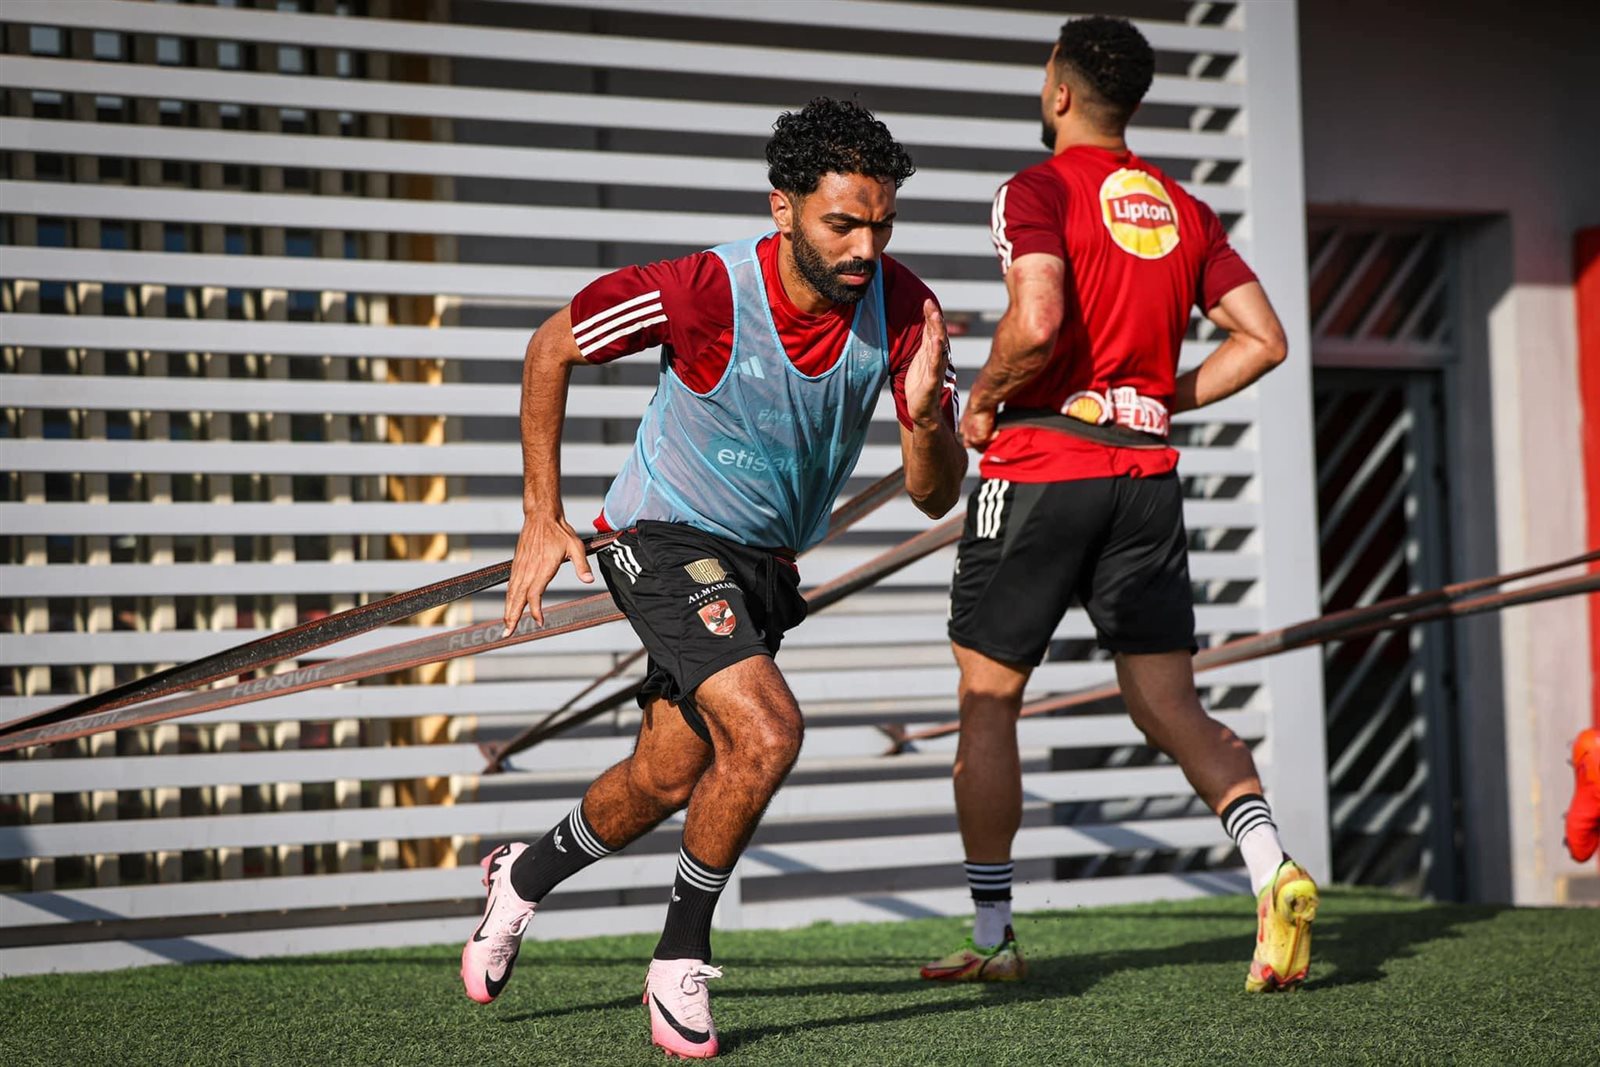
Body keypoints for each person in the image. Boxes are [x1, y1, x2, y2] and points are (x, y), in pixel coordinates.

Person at [461, 98, 966, 1058]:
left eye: (882, 225)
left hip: (763, 565)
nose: (865, 248)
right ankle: (678, 959)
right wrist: (540, 513)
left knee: (666, 776)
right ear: (784, 207)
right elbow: (551, 345)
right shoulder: (704, 290)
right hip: (661, 533)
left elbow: (933, 494)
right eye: (843, 223)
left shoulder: (907, 310)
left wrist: (927, 418)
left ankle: (520, 879)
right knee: (769, 730)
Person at [919, 16, 1317, 993]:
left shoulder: (1036, 189)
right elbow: (1264, 340)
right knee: (1170, 703)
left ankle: (995, 932)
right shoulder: (1185, 209)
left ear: (1059, 91)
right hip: (1144, 479)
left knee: (988, 700)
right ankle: (1271, 864)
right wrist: (1151, 398)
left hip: (1039, 468)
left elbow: (1038, 317)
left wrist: (983, 399)